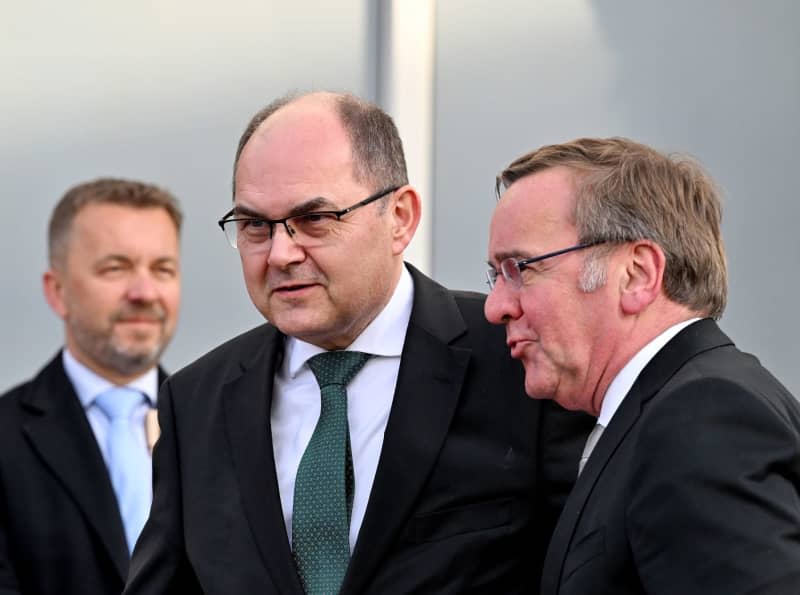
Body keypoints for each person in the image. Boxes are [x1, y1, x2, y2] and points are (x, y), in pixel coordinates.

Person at [123, 91, 593, 594]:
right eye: (256, 226)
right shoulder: (197, 402)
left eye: (315, 220)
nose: (281, 253)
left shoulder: (518, 361)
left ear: (400, 218)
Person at [484, 136, 800, 595]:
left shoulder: (700, 417)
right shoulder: (667, 411)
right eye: (495, 276)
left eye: (520, 268)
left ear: (636, 274)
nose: (496, 307)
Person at [0, 178, 182, 595]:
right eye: (115, 268)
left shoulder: (222, 428)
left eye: (163, 269)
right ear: (58, 291)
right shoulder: (6, 439)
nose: (144, 292)